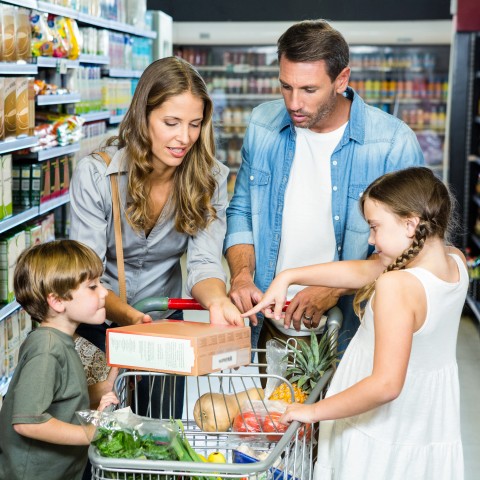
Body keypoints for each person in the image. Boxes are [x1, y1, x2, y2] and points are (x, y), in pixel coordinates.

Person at [244, 167, 467, 480]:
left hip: (377, 432)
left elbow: (386, 385)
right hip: (424, 426)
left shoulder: (398, 286)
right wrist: (288, 276)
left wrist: (312, 412)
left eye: (375, 227)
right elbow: (366, 269)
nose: (372, 240)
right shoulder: (454, 262)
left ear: (410, 224)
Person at [224, 19, 425, 356]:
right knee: (273, 408)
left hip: (355, 329)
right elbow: (242, 208)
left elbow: (414, 249)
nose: (293, 103)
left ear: (341, 80)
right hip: (271, 323)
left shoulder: (391, 142)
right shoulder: (263, 125)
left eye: (308, 90)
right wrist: (242, 275)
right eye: (286, 86)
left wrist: (332, 289)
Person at [69, 56, 243, 417]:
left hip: (162, 328)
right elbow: (86, 275)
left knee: (158, 432)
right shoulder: (98, 175)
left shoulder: (208, 180)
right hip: (98, 326)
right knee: (100, 436)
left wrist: (217, 302)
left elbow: (205, 261)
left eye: (194, 124)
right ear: (142, 116)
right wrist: (132, 317)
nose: (184, 138)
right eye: (171, 122)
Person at [0, 240, 119, 480]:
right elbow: (28, 422)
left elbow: (63, 396)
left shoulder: (59, 341)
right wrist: (89, 433)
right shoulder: (47, 349)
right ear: (57, 301)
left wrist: (105, 387)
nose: (105, 292)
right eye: (93, 286)